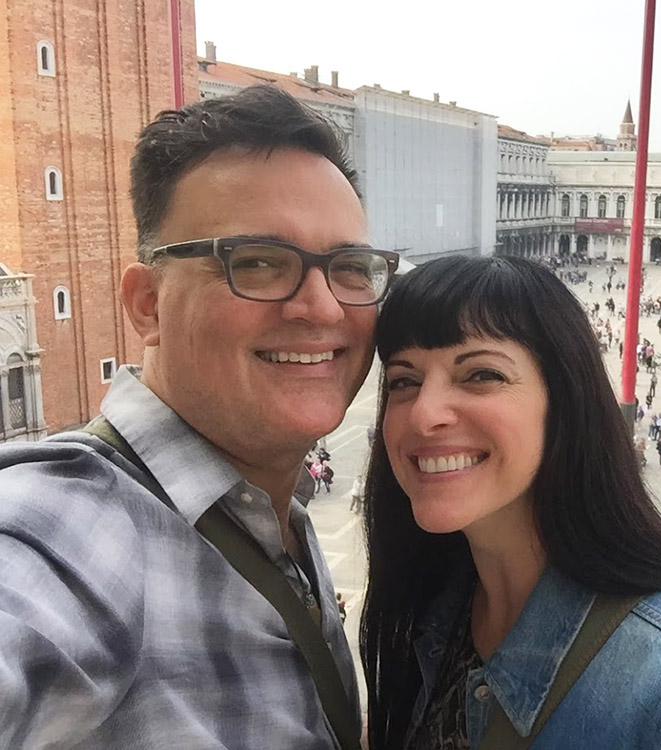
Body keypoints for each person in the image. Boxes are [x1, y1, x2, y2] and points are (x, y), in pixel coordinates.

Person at [0, 86, 390, 747]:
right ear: (148, 303)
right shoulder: (71, 531)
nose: (323, 308)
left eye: (349, 267)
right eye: (259, 262)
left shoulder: (270, 506)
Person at [358, 256, 661, 748]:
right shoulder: (438, 614)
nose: (423, 415)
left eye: (481, 375)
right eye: (404, 380)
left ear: (566, 401)